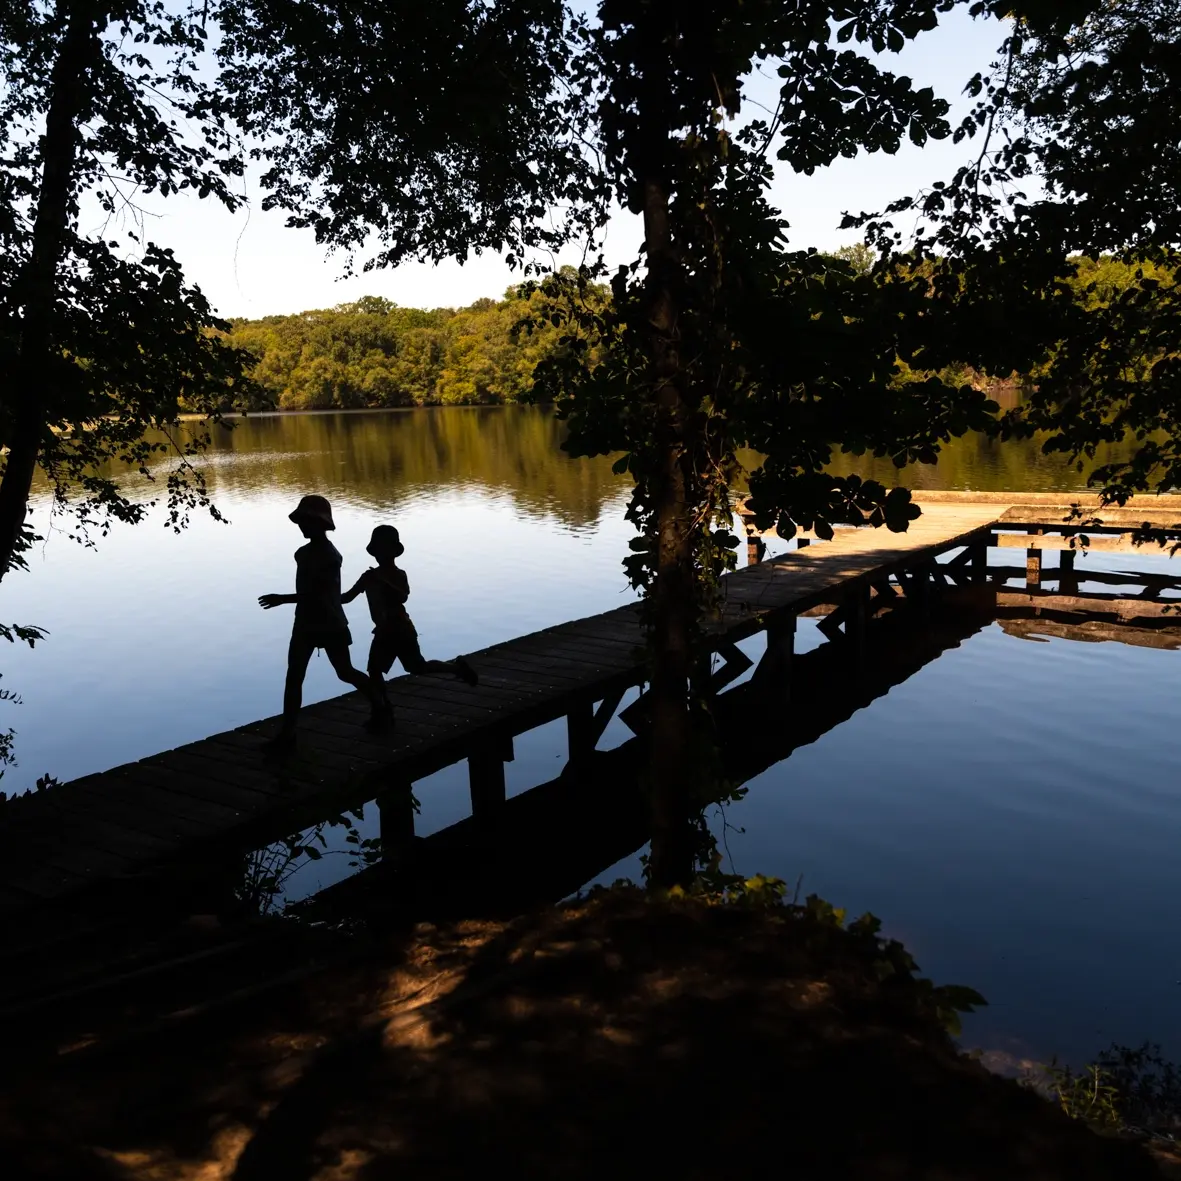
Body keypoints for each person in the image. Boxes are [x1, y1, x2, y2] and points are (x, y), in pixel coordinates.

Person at [258, 495, 383, 746]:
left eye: (306, 521)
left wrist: (282, 599)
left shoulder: (329, 556)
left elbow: (318, 594)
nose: (302, 526)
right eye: (301, 522)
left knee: (344, 672)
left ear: (319, 523)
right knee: (295, 676)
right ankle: (288, 734)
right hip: (305, 622)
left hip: (329, 622)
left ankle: (381, 705)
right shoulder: (303, 553)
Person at [342, 524, 478, 726]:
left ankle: (456, 668)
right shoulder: (368, 577)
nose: (381, 554)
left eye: (384, 549)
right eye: (378, 550)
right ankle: (385, 709)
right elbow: (347, 597)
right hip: (384, 631)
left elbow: (402, 596)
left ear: (393, 552)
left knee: (417, 667)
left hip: (402, 629)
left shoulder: (399, 574)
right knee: (375, 670)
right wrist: (324, 597)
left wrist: (383, 581)